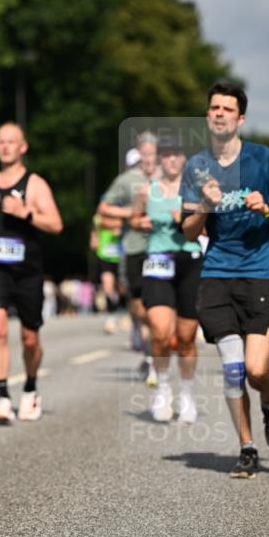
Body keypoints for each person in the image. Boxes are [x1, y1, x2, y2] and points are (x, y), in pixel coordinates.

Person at [181, 81, 269, 478]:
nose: (219, 113)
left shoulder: (263, 158)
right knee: (233, 370)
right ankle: (247, 447)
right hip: (217, 276)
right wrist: (203, 208)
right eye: (214, 107)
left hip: (259, 275)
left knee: (256, 368)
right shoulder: (196, 167)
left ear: (240, 118)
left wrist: (267, 208)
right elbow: (189, 231)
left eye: (227, 108)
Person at [0, 122, 63, 424]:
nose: (5, 147)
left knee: (29, 338)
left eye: (11, 142)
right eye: (0, 142)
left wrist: (26, 213)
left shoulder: (35, 183)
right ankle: (2, 396)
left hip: (27, 271)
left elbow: (56, 224)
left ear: (23, 147)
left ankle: (31, 388)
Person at [133, 138, 202, 423]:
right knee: (161, 331)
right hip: (158, 261)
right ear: (160, 159)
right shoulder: (146, 190)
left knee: (186, 337)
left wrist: (187, 219)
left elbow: (206, 227)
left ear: (184, 159)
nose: (172, 160)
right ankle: (163, 387)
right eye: (168, 155)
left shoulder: (195, 191)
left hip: (189, 261)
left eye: (177, 155)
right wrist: (140, 223)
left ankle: (185, 391)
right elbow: (134, 219)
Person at [98, 134, 159, 384]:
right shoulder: (125, 181)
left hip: (161, 250)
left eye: (151, 154)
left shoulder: (167, 179)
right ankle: (146, 345)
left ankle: (153, 359)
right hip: (133, 249)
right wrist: (130, 213)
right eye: (143, 154)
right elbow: (103, 208)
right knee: (138, 308)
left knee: (157, 307)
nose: (147, 159)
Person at [89, 208, 122, 333]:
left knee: (122, 288)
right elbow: (94, 237)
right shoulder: (98, 218)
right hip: (105, 255)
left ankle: (126, 315)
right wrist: (94, 239)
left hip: (121, 256)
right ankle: (111, 316)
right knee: (107, 286)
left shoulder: (123, 214)